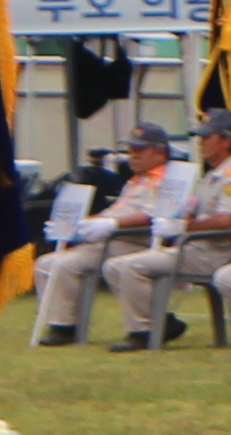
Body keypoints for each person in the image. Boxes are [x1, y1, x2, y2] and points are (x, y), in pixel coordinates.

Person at [104, 113, 231, 351]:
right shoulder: (210, 176)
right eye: (200, 137)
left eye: (207, 137)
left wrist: (183, 227)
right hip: (191, 247)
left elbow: (226, 219)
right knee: (114, 266)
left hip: (212, 252)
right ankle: (159, 323)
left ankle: (144, 331)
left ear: (226, 141)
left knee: (129, 266)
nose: (201, 142)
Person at [31, 126, 177, 344]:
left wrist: (112, 224)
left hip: (135, 240)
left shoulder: (169, 180)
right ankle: (62, 324)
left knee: (77, 264)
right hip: (109, 240)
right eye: (131, 150)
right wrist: (81, 226)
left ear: (160, 153)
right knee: (48, 263)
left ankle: (146, 327)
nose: (134, 155)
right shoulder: (136, 180)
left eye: (141, 150)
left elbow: (153, 215)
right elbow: (117, 209)